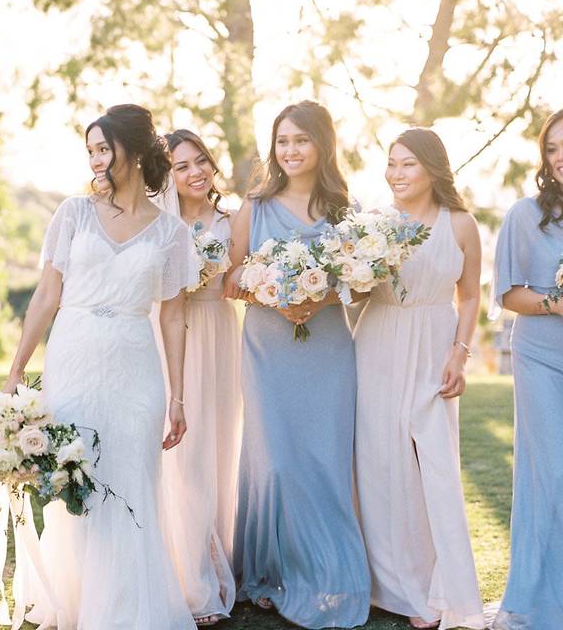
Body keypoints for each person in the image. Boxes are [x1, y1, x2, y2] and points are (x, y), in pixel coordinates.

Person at [8, 104, 198, 629]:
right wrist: (18, 367)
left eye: (102, 148)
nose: (94, 159)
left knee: (132, 477)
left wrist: (177, 396)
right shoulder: (72, 213)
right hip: (75, 356)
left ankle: (125, 609)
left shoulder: (170, 233)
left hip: (136, 365)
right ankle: (76, 601)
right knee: (78, 476)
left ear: (133, 151)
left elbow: (174, 316)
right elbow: (47, 294)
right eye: (88, 150)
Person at [224, 100, 370, 629]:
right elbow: (230, 280)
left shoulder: (345, 212)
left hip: (328, 349)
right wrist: (276, 296)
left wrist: (320, 299)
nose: (290, 150)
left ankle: (332, 577)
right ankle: (266, 573)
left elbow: (361, 283)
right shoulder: (254, 207)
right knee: (277, 462)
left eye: (301, 140)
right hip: (268, 349)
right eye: (283, 141)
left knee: (326, 462)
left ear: (321, 145)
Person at [354, 128, 485, 629]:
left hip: (434, 344)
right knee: (379, 464)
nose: (396, 173)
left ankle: (437, 586)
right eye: (391, 163)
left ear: (432, 167)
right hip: (377, 341)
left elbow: (469, 295)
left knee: (432, 465)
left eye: (407, 164)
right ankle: (388, 585)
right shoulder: (375, 223)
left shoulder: (460, 224)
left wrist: (461, 352)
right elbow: (359, 289)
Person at [158, 129, 241, 626]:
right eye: (181, 166)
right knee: (181, 457)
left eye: (201, 161)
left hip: (218, 332)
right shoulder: (159, 225)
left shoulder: (232, 223)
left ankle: (217, 559)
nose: (195, 172)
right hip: (172, 335)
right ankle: (188, 577)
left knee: (217, 448)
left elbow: (241, 281)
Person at [491, 108, 563, 630]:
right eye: (553, 149)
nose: (559, 158)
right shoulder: (524, 214)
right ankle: (539, 598)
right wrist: (557, 302)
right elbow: (510, 294)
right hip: (541, 356)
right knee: (548, 474)